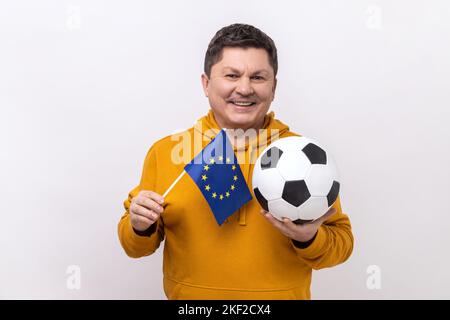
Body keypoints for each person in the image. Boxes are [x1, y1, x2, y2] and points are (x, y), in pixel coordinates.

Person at [118, 23, 354, 299]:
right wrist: (138, 225)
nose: (244, 88)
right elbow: (134, 247)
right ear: (206, 83)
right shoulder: (167, 151)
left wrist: (309, 239)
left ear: (274, 86)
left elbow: (342, 245)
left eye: (258, 77)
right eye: (232, 75)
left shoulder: (302, 154)